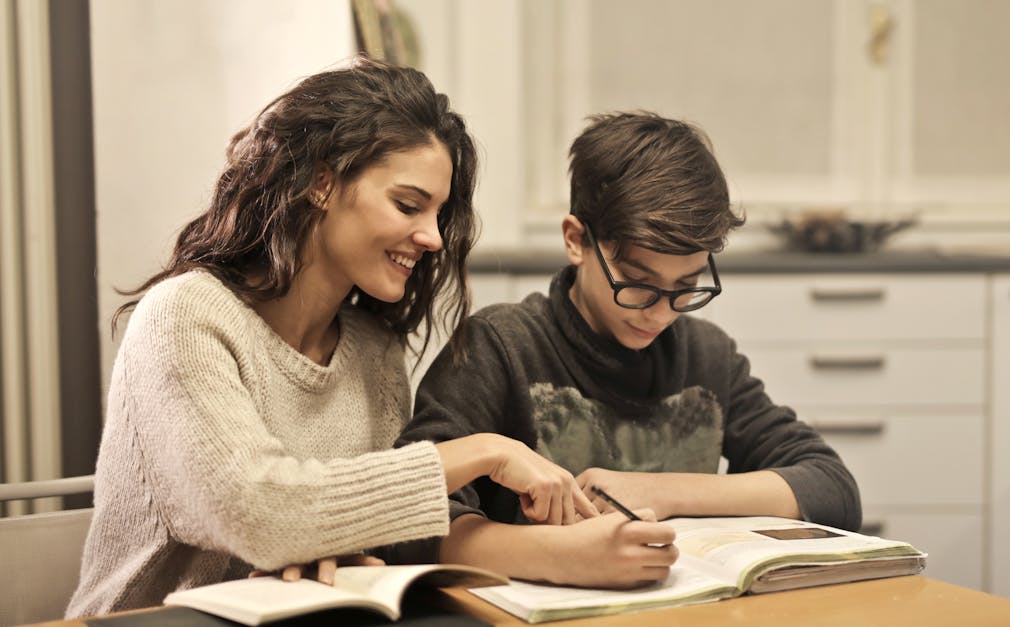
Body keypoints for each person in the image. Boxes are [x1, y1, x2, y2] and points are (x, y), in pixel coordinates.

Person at [67, 57, 610, 617]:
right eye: (408, 204)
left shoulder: (373, 351)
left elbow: (345, 533)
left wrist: (333, 551)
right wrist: (486, 451)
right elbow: (261, 514)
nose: (431, 237)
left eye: (438, 213)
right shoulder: (183, 317)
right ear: (322, 183)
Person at [399, 111, 862, 586]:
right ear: (576, 240)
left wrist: (661, 491)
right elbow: (405, 520)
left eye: (686, 286)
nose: (661, 314)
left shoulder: (707, 355)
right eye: (638, 285)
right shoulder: (499, 348)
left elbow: (831, 488)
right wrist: (559, 555)